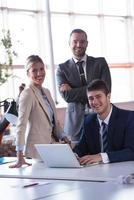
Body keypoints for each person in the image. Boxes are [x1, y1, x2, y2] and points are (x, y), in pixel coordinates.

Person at [10, 55, 69, 168]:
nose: (39, 73)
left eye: (41, 69)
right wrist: (19, 156)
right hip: (37, 152)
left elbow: (53, 121)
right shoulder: (27, 93)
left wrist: (63, 136)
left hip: (52, 147)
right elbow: (21, 125)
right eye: (34, 70)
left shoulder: (47, 92)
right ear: (28, 73)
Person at [56, 28, 111, 142]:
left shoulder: (100, 63)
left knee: (102, 153)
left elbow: (106, 89)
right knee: (76, 156)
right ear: (69, 44)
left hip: (100, 118)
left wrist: (74, 90)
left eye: (82, 41)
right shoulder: (62, 68)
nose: (78, 45)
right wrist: (95, 88)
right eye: (75, 41)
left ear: (87, 43)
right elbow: (67, 96)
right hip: (75, 123)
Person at [73, 79, 134, 164]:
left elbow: (131, 151)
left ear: (108, 97)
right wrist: (74, 155)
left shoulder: (129, 118)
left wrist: (101, 156)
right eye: (91, 98)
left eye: (98, 96)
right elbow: (81, 147)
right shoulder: (88, 121)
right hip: (96, 172)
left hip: (121, 171)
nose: (94, 102)